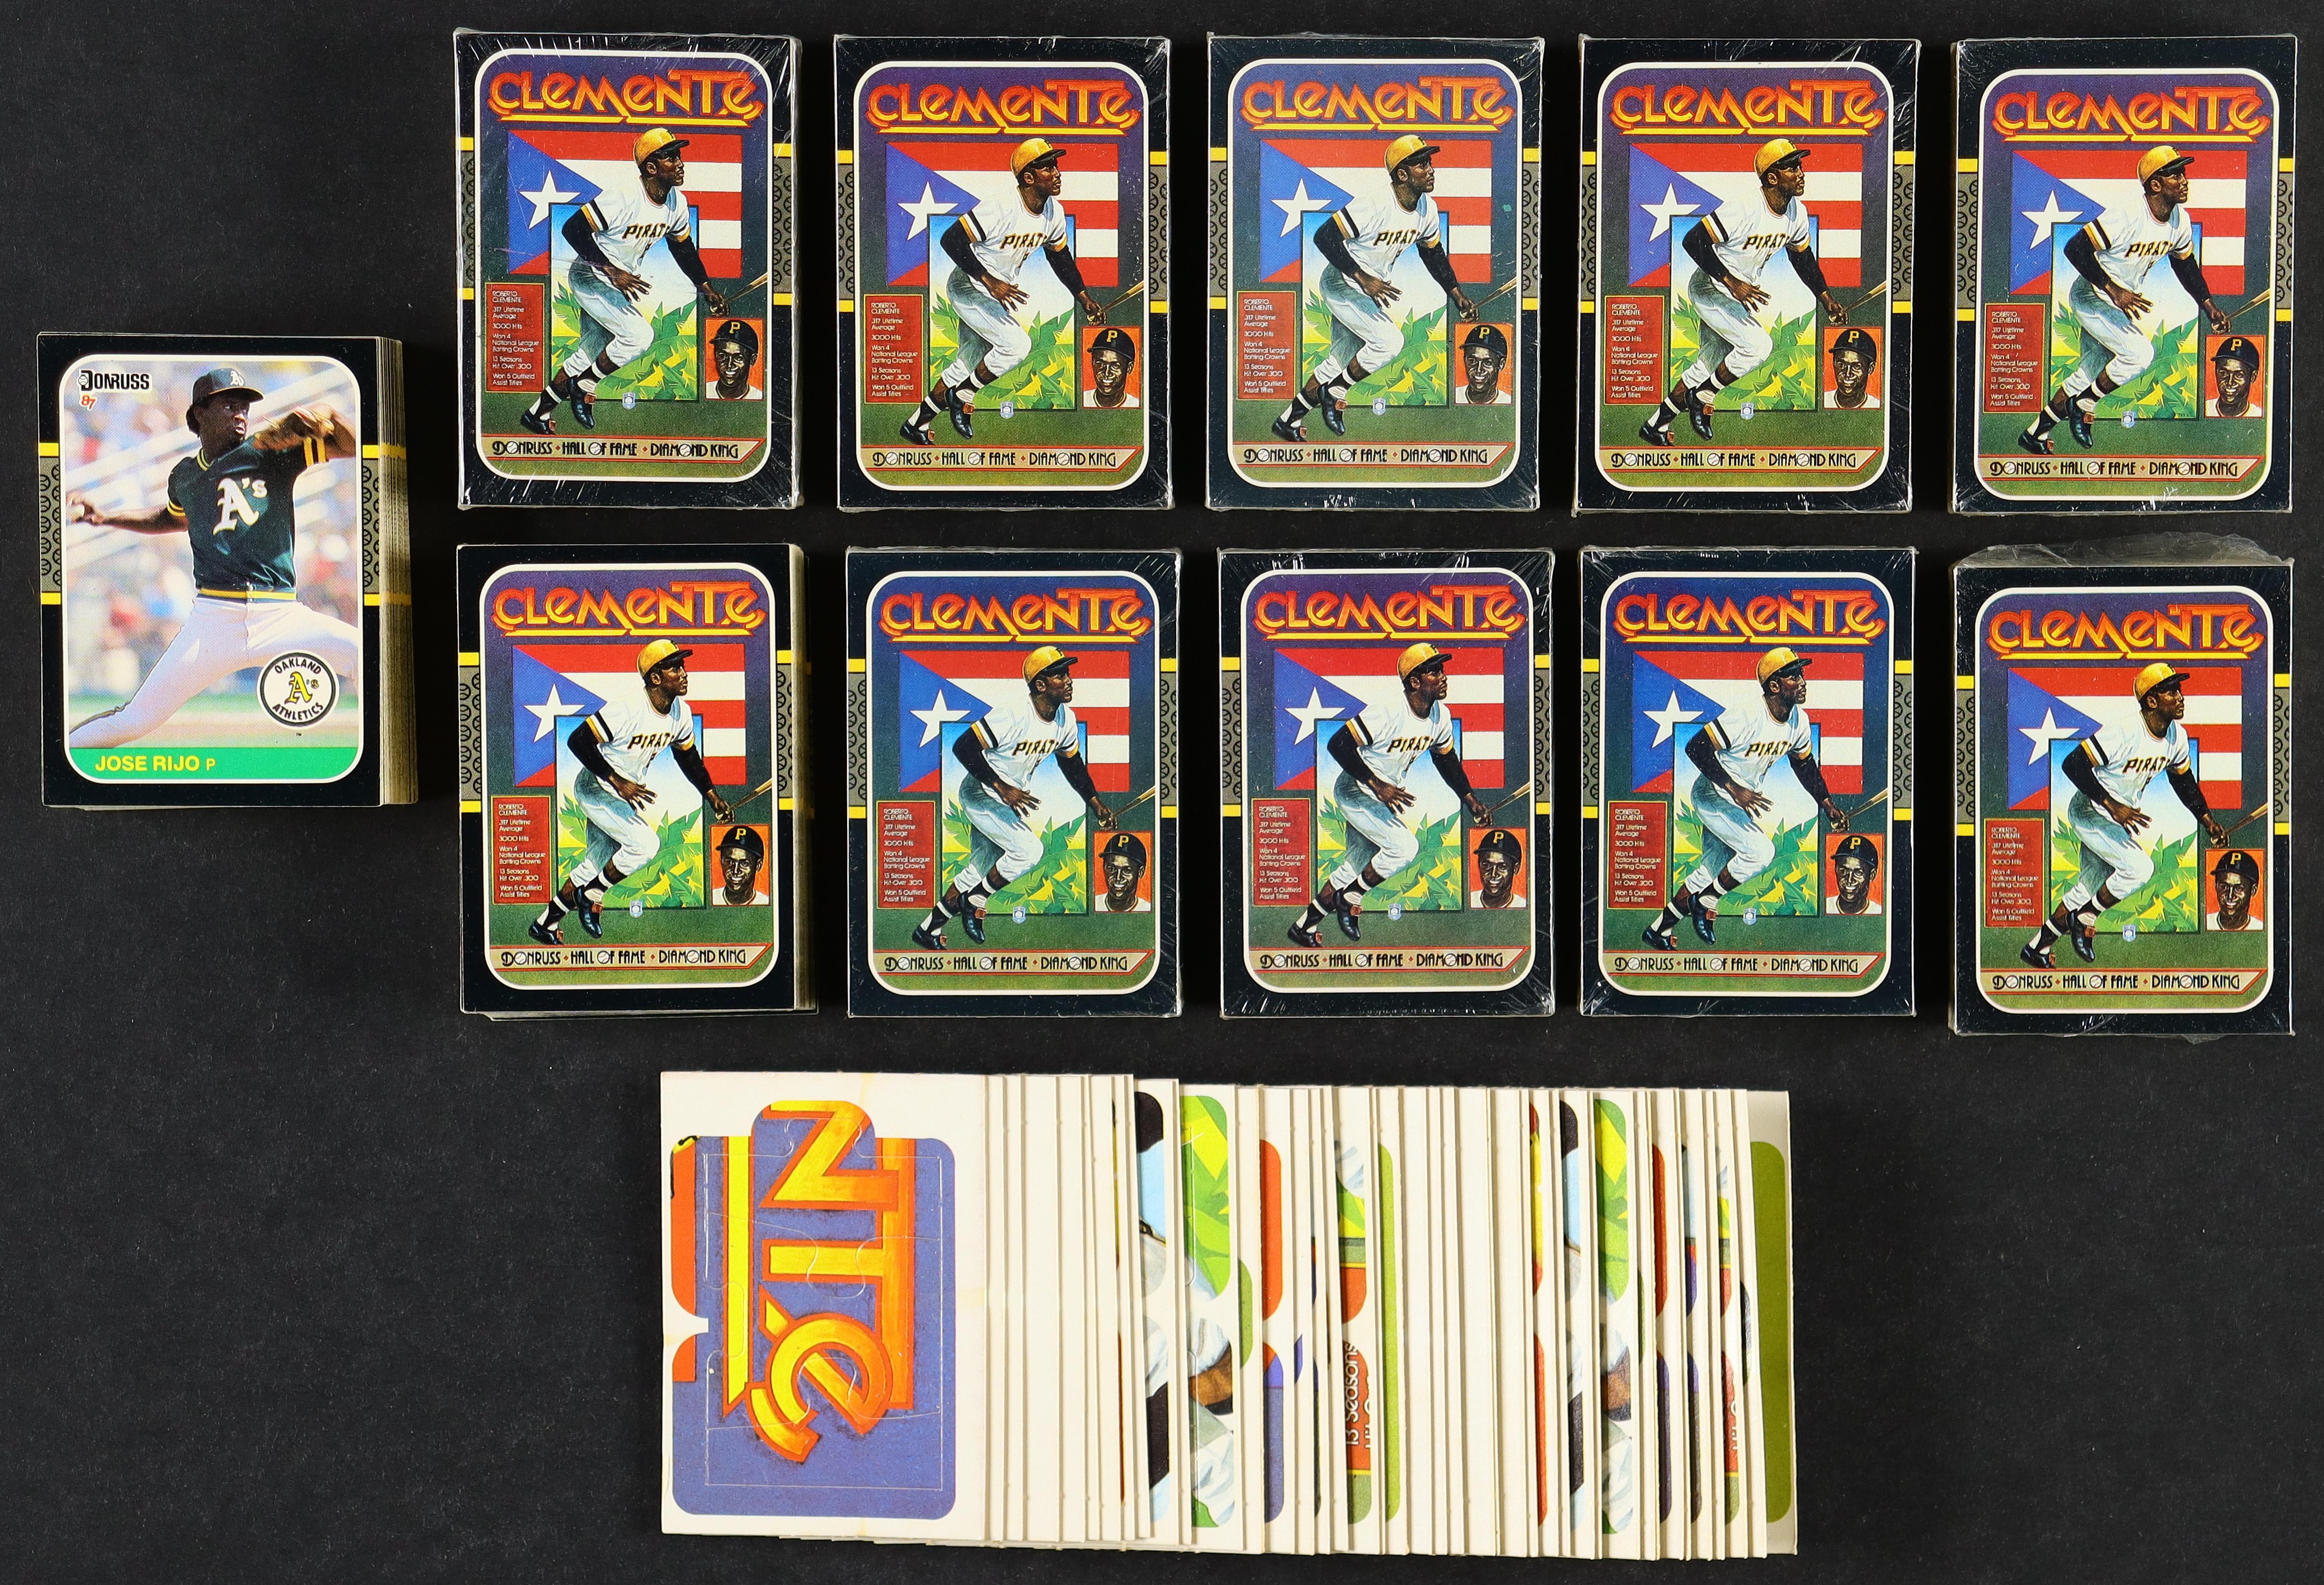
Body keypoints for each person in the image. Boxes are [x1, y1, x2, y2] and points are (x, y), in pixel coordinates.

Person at [66, 368, 359, 749]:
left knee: (373, 660)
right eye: (229, 405)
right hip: (214, 620)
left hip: (280, 615)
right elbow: (171, 518)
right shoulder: (185, 475)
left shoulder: (269, 450)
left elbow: (355, 447)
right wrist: (107, 517)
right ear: (199, 413)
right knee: (133, 722)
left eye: (245, 406)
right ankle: (56, 756)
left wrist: (333, 416)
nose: (241, 413)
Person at [2020, 146, 2234, 455]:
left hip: (2113, 301)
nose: (2184, 180)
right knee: (2139, 354)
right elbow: (2075, 248)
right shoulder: (2128, 214)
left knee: (2089, 371)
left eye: (2183, 173)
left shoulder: (2180, 221)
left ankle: (2035, 433)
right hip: (2092, 295)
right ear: (2156, 185)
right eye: (2175, 175)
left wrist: (2208, 306)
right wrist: (2113, 290)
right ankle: (2085, 403)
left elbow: (2185, 265)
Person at [520, 128, 728, 435]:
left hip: (614, 283)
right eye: (671, 157)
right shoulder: (624, 196)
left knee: (589, 353)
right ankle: (585, 385)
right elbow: (573, 229)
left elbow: (682, 247)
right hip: (591, 276)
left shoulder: (677, 204)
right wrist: (612, 270)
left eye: (679, 155)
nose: (680, 163)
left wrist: (705, 287)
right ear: (651, 167)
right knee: (639, 337)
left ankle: (537, 413)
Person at [2022, 662, 2231, 967]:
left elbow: (2183, 781)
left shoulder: (2176, 737)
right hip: (2091, 810)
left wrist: (2208, 821)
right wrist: (2112, 805)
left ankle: (2037, 947)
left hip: (2113, 817)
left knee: (2088, 888)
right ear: (2152, 701)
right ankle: (2086, 918)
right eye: (2171, 691)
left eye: (2179, 689)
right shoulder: (2124, 731)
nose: (2180, 696)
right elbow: (2073, 764)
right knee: (2139, 869)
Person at [1271, 135, 1479, 442]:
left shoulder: (1427, 210)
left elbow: (1433, 254)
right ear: (1402, 174)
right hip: (1342, 283)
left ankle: (1288, 420)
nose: (1431, 169)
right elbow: (1324, 237)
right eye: (1422, 164)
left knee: (1339, 361)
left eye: (1430, 162)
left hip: (1364, 289)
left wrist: (1456, 294)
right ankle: (1336, 391)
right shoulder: (1374, 204)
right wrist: (1362, 278)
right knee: (1389, 342)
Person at [1640, 138, 1846, 445]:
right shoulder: (1745, 207)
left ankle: (1655, 425)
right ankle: (1704, 396)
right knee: (1758, 347)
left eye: (1800, 166)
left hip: (1732, 295)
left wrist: (1826, 298)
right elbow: (1693, 241)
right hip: (1711, 288)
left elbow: (1802, 258)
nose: (1801, 173)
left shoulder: (1796, 214)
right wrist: (1731, 282)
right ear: (1772, 178)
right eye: (1792, 168)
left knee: (1707, 366)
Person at [1642, 646, 1850, 949]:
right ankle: (1707, 901)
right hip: (1713, 794)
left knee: (1710, 870)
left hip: (1736, 803)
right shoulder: (1748, 715)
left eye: (1802, 674)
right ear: (1775, 686)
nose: (1803, 682)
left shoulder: (1799, 722)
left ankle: (1658, 930)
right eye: (1794, 676)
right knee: (1761, 853)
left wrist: (1827, 804)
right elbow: (1696, 747)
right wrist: (1733, 788)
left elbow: (1804, 764)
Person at [530, 639, 734, 945]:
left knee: (594, 864)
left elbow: (688, 757)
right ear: (656, 678)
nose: (684, 673)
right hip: (596, 787)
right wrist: (617, 781)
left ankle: (545, 924)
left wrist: (712, 796)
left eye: (683, 666)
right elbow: (579, 741)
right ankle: (593, 894)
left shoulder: (681, 712)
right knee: (645, 845)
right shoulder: (628, 707)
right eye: (675, 668)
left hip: (619, 794)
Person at [899, 139, 1105, 444]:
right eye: (1048, 168)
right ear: (1029, 177)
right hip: (969, 286)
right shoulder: (1001, 207)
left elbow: (1060, 257)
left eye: (1056, 166)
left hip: (992, 293)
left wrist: (1083, 297)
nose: (1057, 173)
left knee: (967, 364)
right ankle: (964, 395)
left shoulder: (1054, 213)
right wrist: (989, 281)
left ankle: (916, 424)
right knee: (1017, 346)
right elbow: (951, 240)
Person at [1287, 643, 1491, 946]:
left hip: (1378, 796)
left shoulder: (1441, 716)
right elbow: (1338, 744)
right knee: (1404, 848)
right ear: (1415, 682)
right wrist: (1376, 784)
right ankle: (1351, 898)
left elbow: (1446, 759)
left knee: (1354, 866)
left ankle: (1303, 927)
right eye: (1434, 671)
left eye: (1442, 669)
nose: (1443, 676)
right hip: (1356, 790)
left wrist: (1470, 800)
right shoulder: (1388, 710)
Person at [913, 645, 1116, 949]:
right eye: (1060, 675)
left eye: (1068, 673)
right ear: (1040, 685)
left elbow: (1072, 764)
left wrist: (1095, 803)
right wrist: (1001, 787)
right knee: (1029, 851)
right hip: (981, 793)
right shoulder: (1013, 714)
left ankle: (928, 929)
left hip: (1004, 799)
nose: (1069, 680)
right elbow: (963, 747)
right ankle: (976, 900)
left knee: (979, 869)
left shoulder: (1066, 720)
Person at [2206, 334, 2262, 417]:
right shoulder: (2205, 409)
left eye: (2239, 375)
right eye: (2224, 373)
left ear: (2253, 377)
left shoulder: (2260, 415)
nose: (2230, 382)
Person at [1826, 832, 1882, 915]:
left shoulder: (1879, 912)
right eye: (1843, 871)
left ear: (1872, 875)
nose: (1850, 880)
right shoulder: (1825, 907)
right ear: (1836, 870)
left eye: (1858, 873)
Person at [1824, 326, 1880, 409]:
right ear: (1834, 363)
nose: (1848, 374)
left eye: (1856, 366)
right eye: (1842, 365)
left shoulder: (1877, 406)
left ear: (1870, 369)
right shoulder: (1824, 401)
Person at [2205, 849, 2260, 932]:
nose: (2230, 896)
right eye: (2224, 887)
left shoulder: (2259, 928)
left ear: (2253, 891)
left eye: (2239, 888)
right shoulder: (2206, 923)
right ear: (2216, 886)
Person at [713, 825, 769, 906]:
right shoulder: (712, 898)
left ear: (758, 866)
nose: (735, 871)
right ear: (722, 862)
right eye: (730, 862)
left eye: (744, 864)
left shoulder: (766, 902)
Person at [1084, 325, 1139, 408]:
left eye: (1115, 366)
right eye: (1100, 364)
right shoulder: (1082, 400)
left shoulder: (1137, 405)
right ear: (1093, 364)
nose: (1107, 373)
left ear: (1129, 368)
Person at [1457, 322, 1511, 405]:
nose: (1479, 370)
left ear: (1501, 364)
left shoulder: (1508, 401)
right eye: (1472, 361)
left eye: (1487, 363)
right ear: (1465, 360)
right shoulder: (1455, 396)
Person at [1470, 827, 1524, 908]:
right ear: (1479, 864)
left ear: (1516, 869)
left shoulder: (1523, 905)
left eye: (1502, 867)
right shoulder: (1469, 901)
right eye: (1487, 866)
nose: (1493, 874)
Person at [708, 319, 761, 400]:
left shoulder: (759, 397)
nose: (729, 365)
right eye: (723, 356)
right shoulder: (704, 391)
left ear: (752, 360)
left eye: (738, 358)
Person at [1098, 830, 1150, 912]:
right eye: (1112, 869)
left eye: (1126, 871)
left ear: (1140, 873)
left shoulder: (1148, 909)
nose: (1118, 878)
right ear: (1104, 868)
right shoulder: (1094, 904)